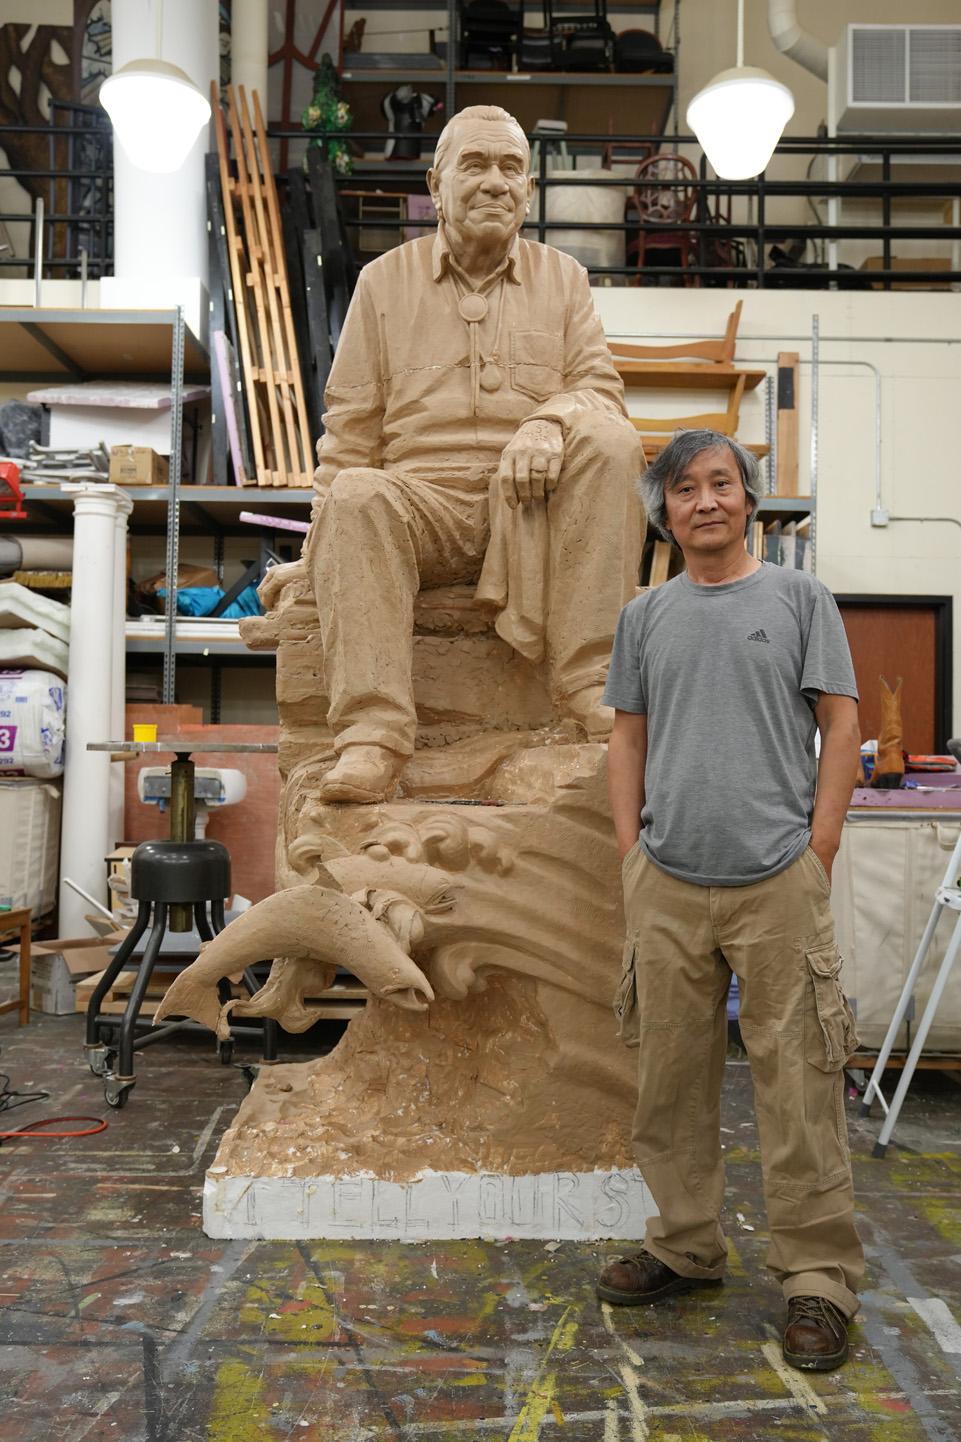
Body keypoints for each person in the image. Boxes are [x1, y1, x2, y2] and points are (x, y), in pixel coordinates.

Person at [599, 429, 864, 1372]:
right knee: (668, 1084)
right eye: (684, 489)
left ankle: (817, 1279)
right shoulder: (644, 617)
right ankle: (684, 1246)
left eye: (721, 484)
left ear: (748, 500)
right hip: (667, 883)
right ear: (663, 512)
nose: (704, 501)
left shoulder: (798, 599)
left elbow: (840, 725)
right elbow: (626, 739)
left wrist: (818, 849)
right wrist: (631, 855)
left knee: (799, 1085)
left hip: (776, 879)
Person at [305, 104, 644, 803]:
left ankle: (590, 681)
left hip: (531, 509)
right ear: (436, 184)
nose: (495, 181)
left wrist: (546, 423)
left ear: (529, 191)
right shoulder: (382, 282)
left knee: (612, 441)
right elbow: (350, 432)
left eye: (511, 168)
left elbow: (600, 392)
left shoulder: (563, 279)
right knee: (356, 493)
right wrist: (320, 550)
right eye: (475, 164)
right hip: (422, 508)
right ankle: (372, 735)